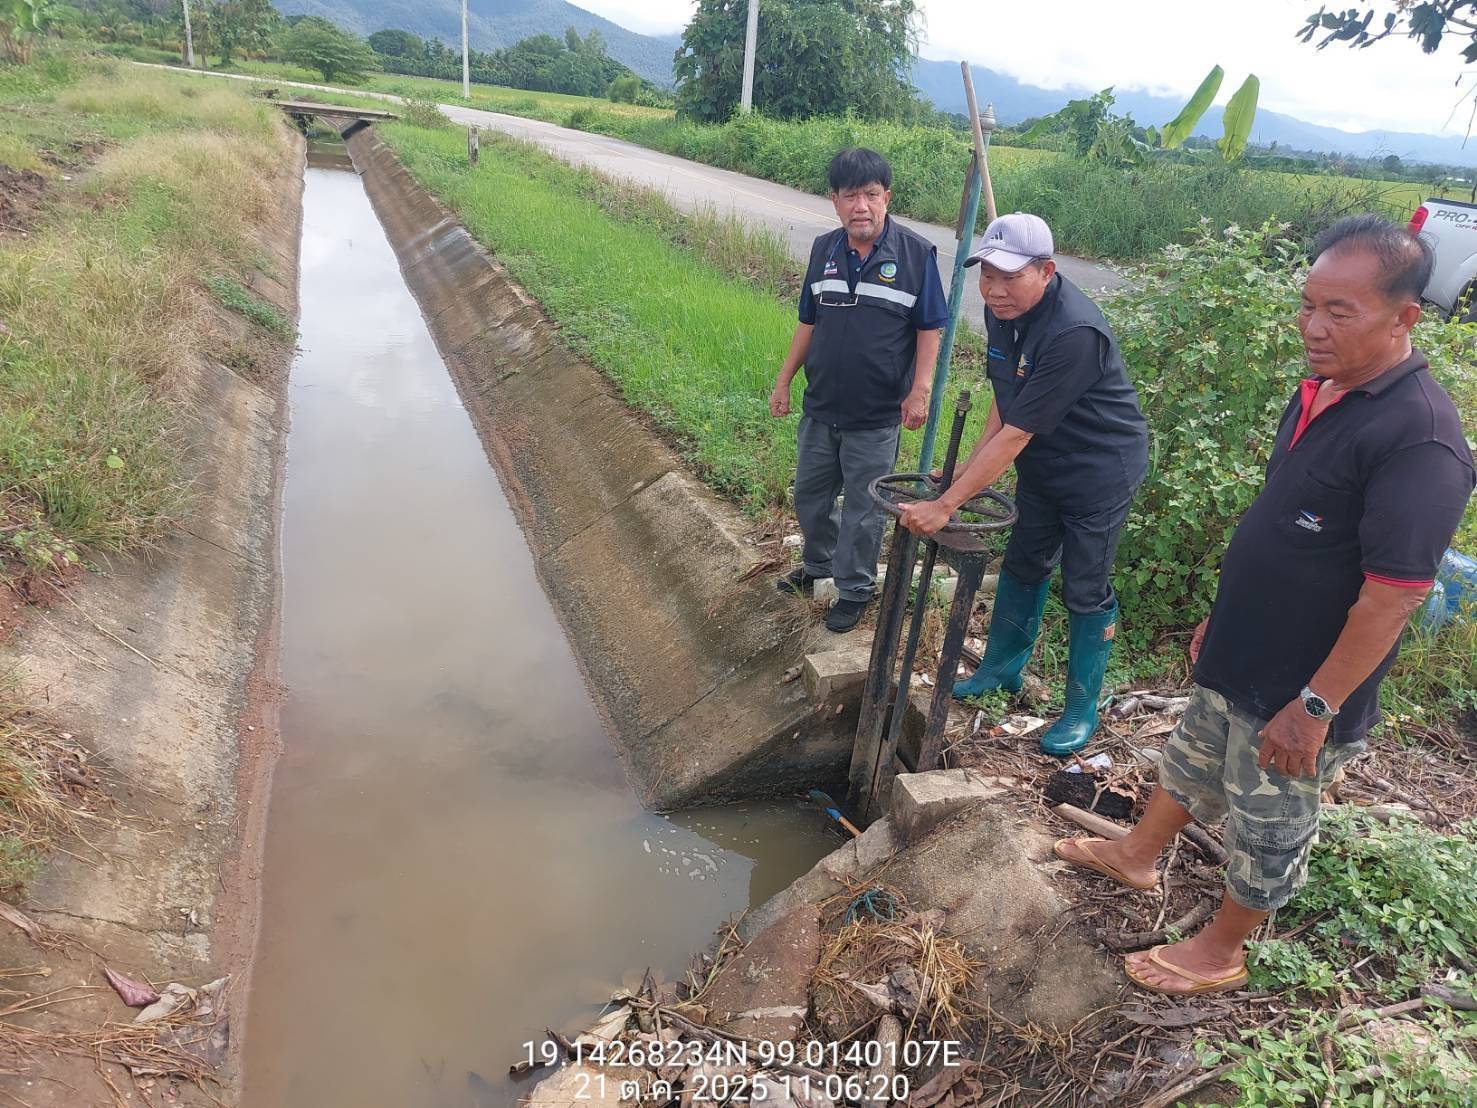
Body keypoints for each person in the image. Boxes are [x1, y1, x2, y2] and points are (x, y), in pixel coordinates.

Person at [1054, 215, 1474, 996]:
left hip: (1300, 684)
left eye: (1338, 311)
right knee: (1189, 760)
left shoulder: (1419, 439)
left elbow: (1392, 599)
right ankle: (1136, 856)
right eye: (1307, 304)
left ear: (1404, 317)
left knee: (1268, 822)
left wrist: (1314, 707)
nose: (1312, 327)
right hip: (1243, 648)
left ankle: (1221, 949)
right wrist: (1227, 611)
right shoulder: (1322, 390)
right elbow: (1286, 521)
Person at [899, 213, 1149, 755]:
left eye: (1009, 277)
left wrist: (946, 504)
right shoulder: (1003, 313)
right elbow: (1007, 394)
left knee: (1084, 585)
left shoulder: (1073, 333)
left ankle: (1081, 709)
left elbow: (1016, 435)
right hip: (1043, 461)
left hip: (1098, 471)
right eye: (986, 276)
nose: (994, 290)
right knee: (1024, 561)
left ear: (1046, 271)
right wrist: (968, 466)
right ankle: (1001, 670)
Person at [771, 148, 948, 632]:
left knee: (864, 509)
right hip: (821, 405)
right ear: (835, 201)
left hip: (875, 415)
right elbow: (808, 322)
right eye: (851, 196)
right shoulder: (824, 249)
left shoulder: (914, 255)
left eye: (871, 195)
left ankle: (854, 589)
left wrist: (921, 389)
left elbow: (930, 327)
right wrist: (785, 380)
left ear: (886, 198)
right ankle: (818, 566)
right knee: (810, 494)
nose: (861, 207)